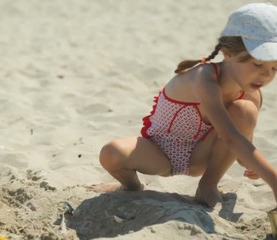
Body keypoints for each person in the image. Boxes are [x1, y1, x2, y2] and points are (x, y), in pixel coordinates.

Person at [88, 3, 277, 209]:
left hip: (202, 156)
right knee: (111, 152)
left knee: (245, 110)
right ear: (228, 53)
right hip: (159, 152)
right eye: (258, 64)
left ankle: (208, 185)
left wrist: (250, 165)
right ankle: (131, 186)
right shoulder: (203, 78)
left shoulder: (251, 95)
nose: (266, 75)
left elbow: (240, 143)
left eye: (274, 68)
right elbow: (232, 137)